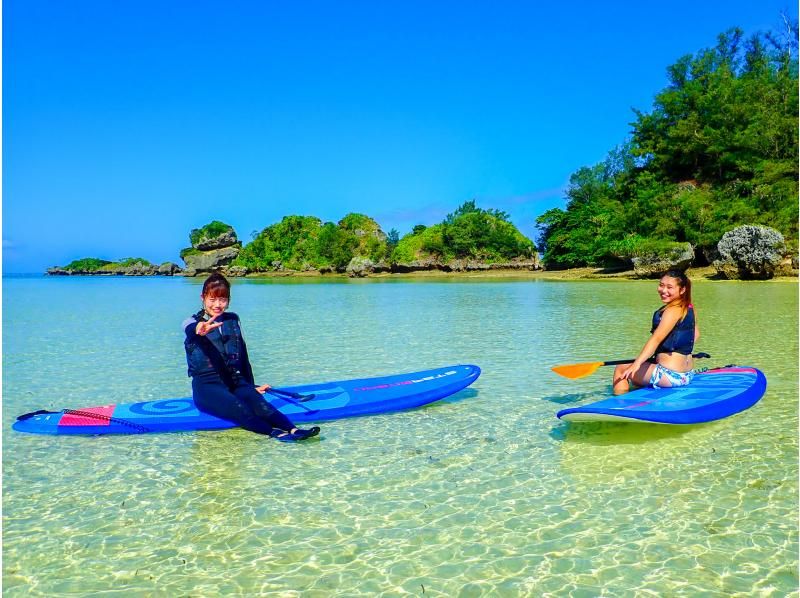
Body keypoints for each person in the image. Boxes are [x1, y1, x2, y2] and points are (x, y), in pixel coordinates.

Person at [183, 272, 320, 442]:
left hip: (234, 382)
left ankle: (293, 429)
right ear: (203, 297)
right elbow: (190, 329)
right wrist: (199, 329)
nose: (218, 305)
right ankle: (275, 433)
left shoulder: (233, 320)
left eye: (223, 299)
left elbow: (243, 358)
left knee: (261, 405)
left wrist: (251, 385)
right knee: (239, 408)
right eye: (212, 299)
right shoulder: (192, 322)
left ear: (229, 299)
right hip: (207, 387)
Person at [613, 269, 700, 395]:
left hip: (670, 376)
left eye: (670, 287)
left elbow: (656, 339)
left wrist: (636, 364)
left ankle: (619, 402)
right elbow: (695, 335)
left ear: (682, 290)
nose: (663, 290)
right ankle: (641, 388)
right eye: (661, 285)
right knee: (639, 373)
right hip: (687, 374)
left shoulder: (672, 311)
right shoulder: (689, 308)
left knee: (622, 369)